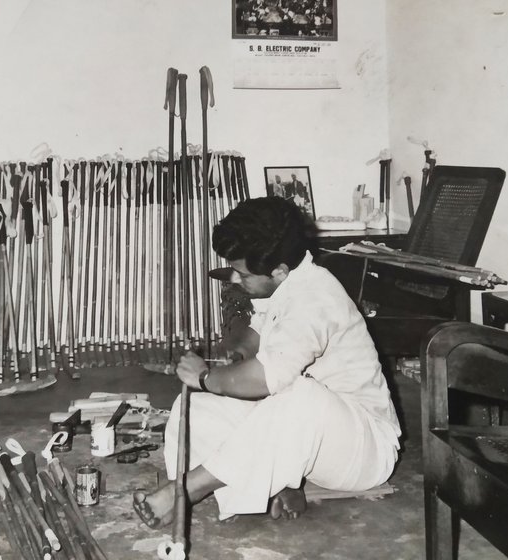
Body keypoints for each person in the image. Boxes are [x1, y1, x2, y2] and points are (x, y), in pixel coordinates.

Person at [133, 197, 401, 527]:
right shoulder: (287, 284)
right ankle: (267, 488)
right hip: (306, 436)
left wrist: (206, 377)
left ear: (279, 270)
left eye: (241, 273)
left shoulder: (317, 298)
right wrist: (236, 355)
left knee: (300, 395)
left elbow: (265, 380)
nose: (234, 278)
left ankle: (185, 490)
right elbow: (256, 335)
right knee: (195, 408)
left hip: (363, 448)